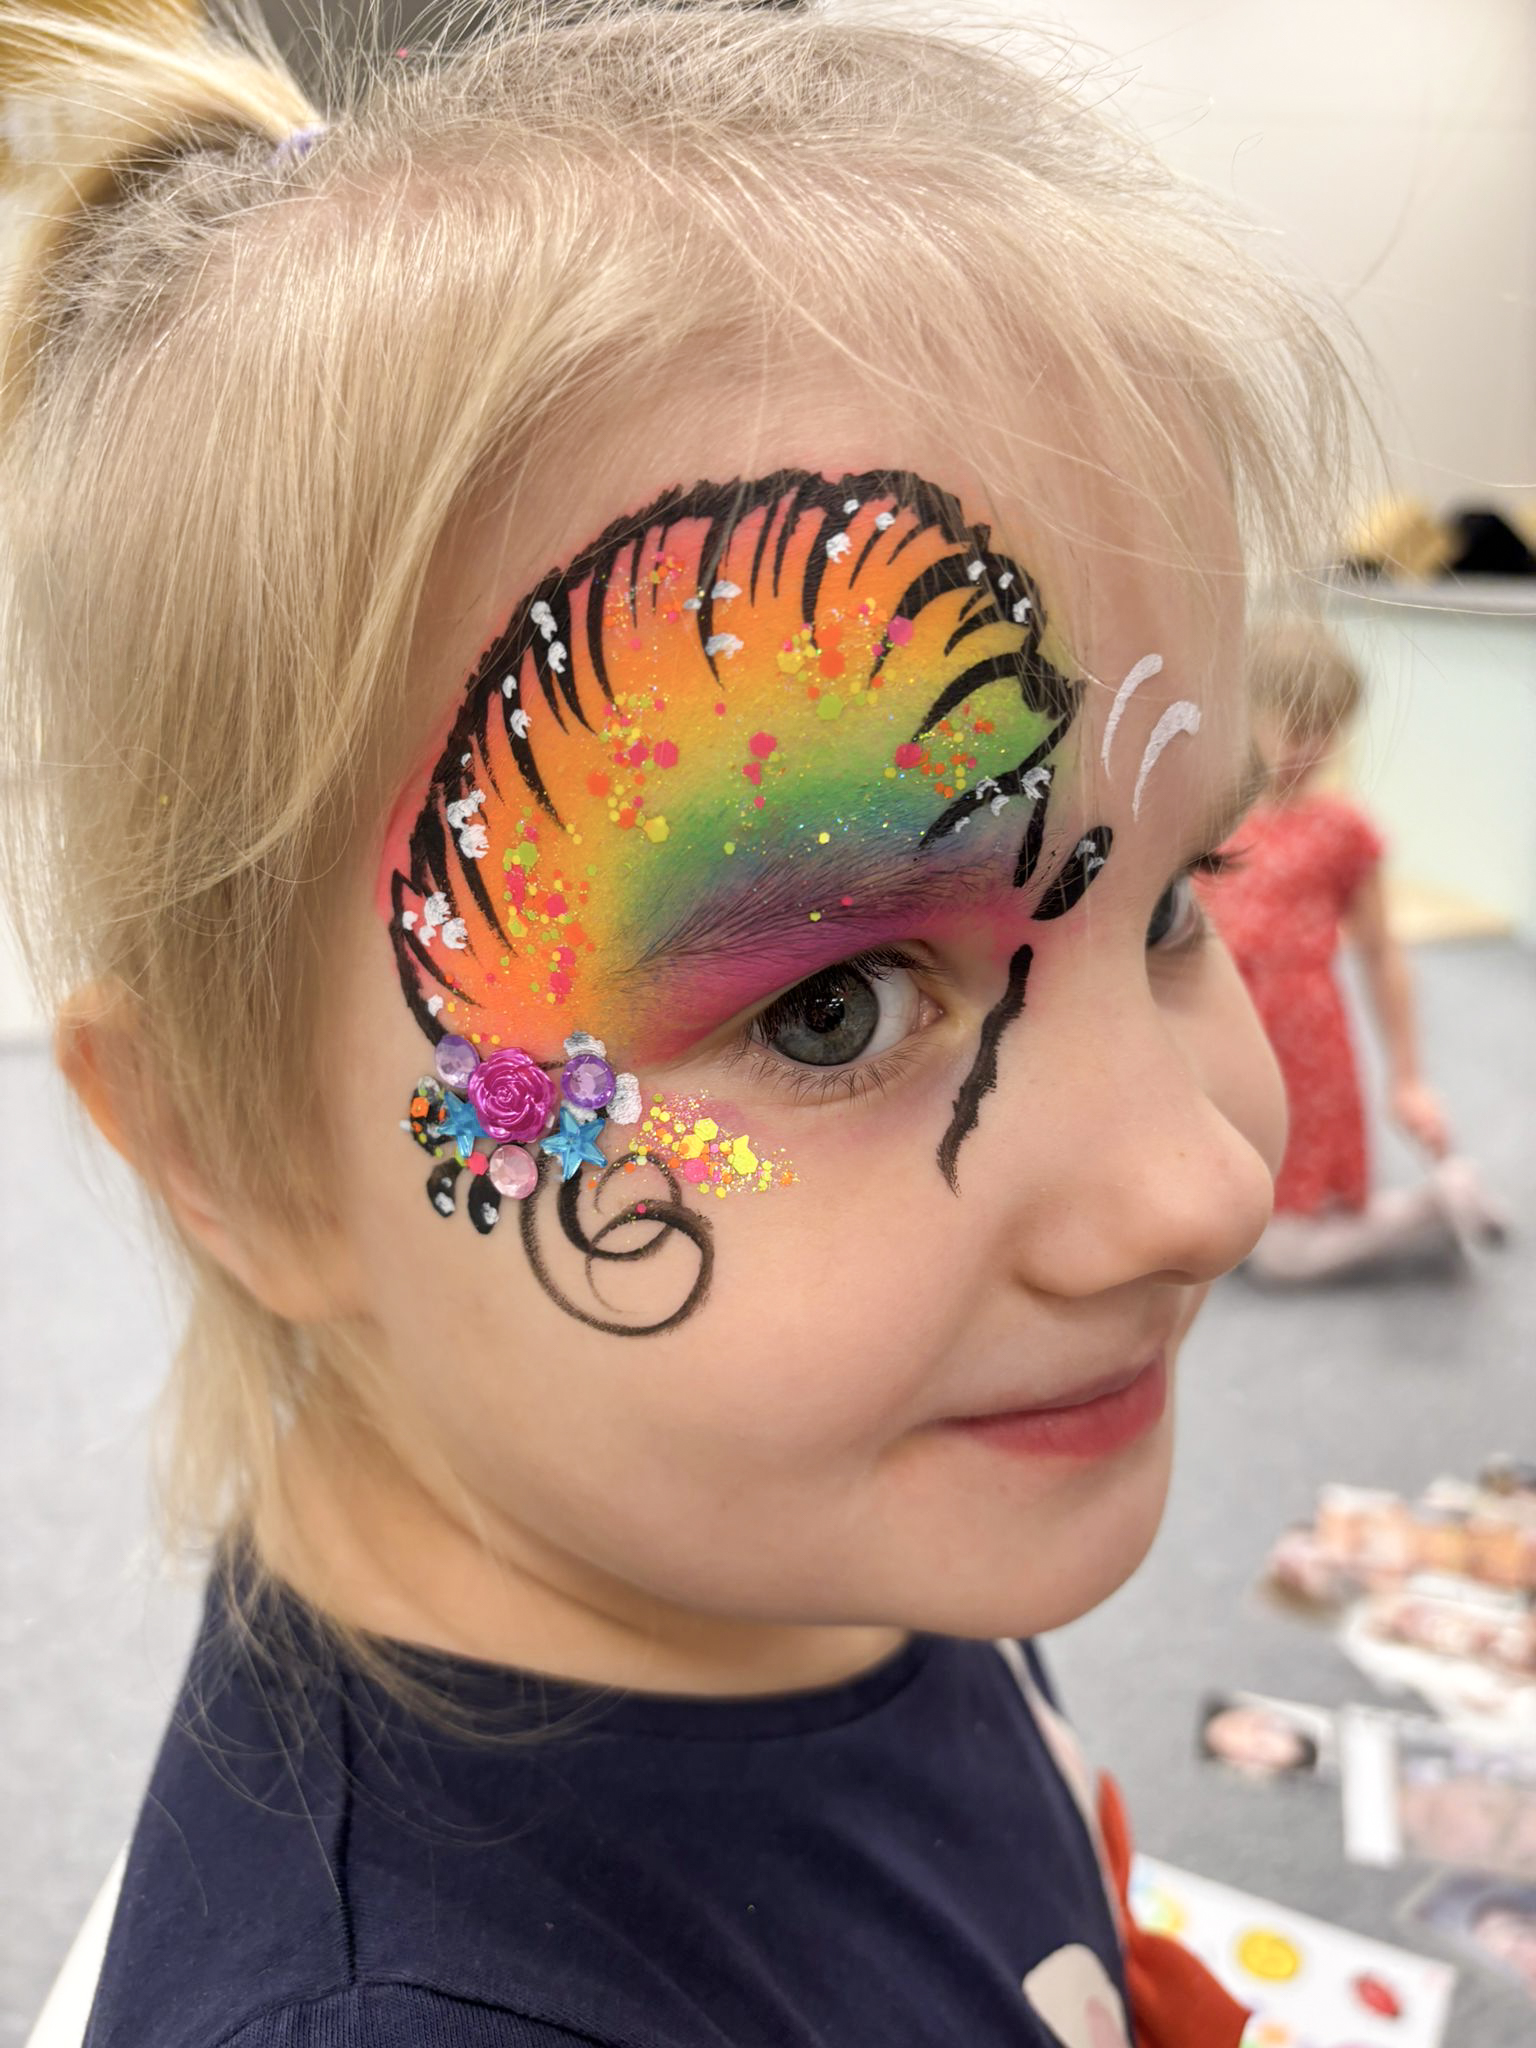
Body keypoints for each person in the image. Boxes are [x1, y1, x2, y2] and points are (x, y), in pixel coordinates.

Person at [0, 4, 1356, 2044]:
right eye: (831, 1006)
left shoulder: (793, 1522)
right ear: (243, 1148)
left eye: (1173, 903)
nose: (1200, 1184)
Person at [1200, 619, 1506, 1283]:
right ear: (1242, 714)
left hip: (1301, 1041)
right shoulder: (1207, 818)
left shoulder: (1343, 829)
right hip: (1219, 1032)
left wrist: (1408, 1078)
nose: (1315, 745)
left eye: (1330, 727)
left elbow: (1382, 953)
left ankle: (1433, 1207)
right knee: (1217, 1212)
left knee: (1282, 1257)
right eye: (1298, 724)